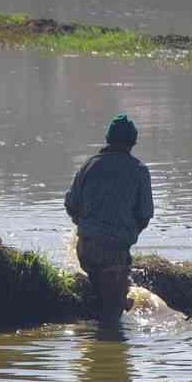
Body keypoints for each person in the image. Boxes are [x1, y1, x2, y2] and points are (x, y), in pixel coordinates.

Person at [65, 115, 154, 324]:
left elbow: (70, 204)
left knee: (101, 297)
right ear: (133, 142)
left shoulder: (89, 166)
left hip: (86, 249)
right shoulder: (139, 170)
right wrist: (128, 234)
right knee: (113, 318)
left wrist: (85, 226)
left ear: (108, 139)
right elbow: (145, 215)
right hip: (116, 252)